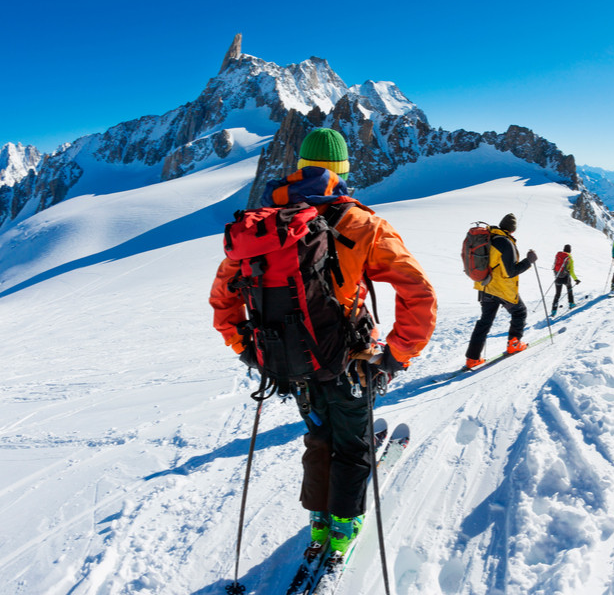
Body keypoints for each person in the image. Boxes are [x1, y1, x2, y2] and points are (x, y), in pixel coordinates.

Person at [209, 127, 437, 553]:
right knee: (352, 442)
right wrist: (397, 355)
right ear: (343, 171)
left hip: (289, 362)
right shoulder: (361, 223)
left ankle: (318, 519)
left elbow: (223, 297)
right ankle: (343, 526)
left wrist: (248, 350)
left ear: (299, 170)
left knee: (318, 436)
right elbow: (417, 292)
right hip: (351, 361)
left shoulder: (261, 229)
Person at [464, 213, 537, 369]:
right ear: (513, 230)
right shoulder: (505, 243)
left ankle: (472, 359)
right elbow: (511, 271)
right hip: (501, 289)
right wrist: (529, 261)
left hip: (485, 287)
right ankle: (514, 344)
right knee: (520, 312)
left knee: (485, 321)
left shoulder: (489, 237)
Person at [550, 244, 580, 316]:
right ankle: (571, 303)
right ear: (570, 250)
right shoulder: (569, 258)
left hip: (557, 277)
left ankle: (553, 311)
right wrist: (576, 279)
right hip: (566, 278)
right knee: (569, 290)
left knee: (557, 294)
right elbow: (571, 271)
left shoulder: (558, 255)